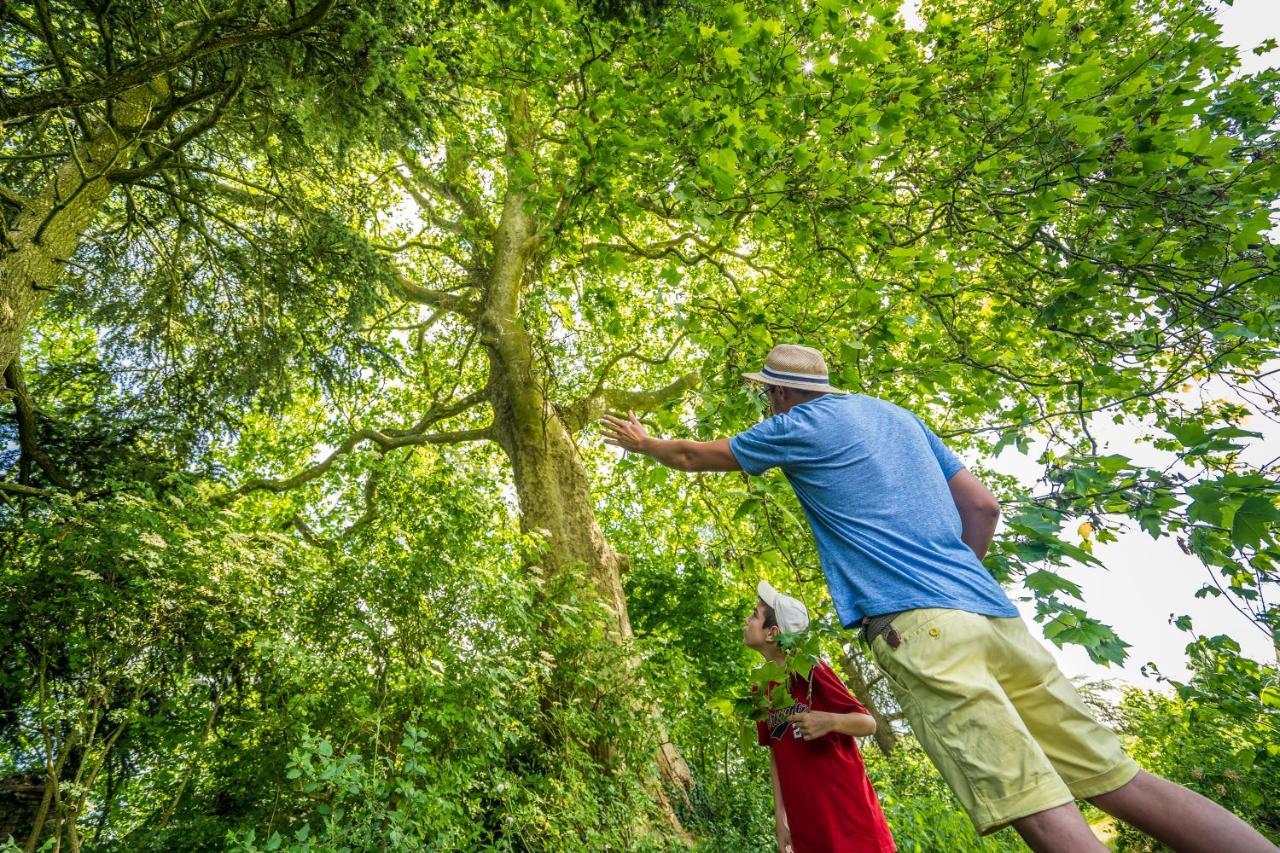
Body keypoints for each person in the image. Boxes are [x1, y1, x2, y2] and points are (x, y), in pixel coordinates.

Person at [602, 343, 1276, 853]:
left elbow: (693, 455)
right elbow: (982, 505)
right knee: (1120, 779)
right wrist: (959, 586)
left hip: (920, 626)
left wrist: (642, 441)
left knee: (1031, 800)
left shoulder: (798, 426)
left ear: (779, 396)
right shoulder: (899, 418)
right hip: (992, 615)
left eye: (767, 397)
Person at [745, 580, 895, 853]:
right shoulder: (761, 689)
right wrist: (781, 817)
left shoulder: (812, 669)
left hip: (850, 819)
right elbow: (776, 755)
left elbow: (868, 723)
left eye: (755, 615)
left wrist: (829, 721)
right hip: (806, 823)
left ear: (773, 633)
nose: (747, 620)